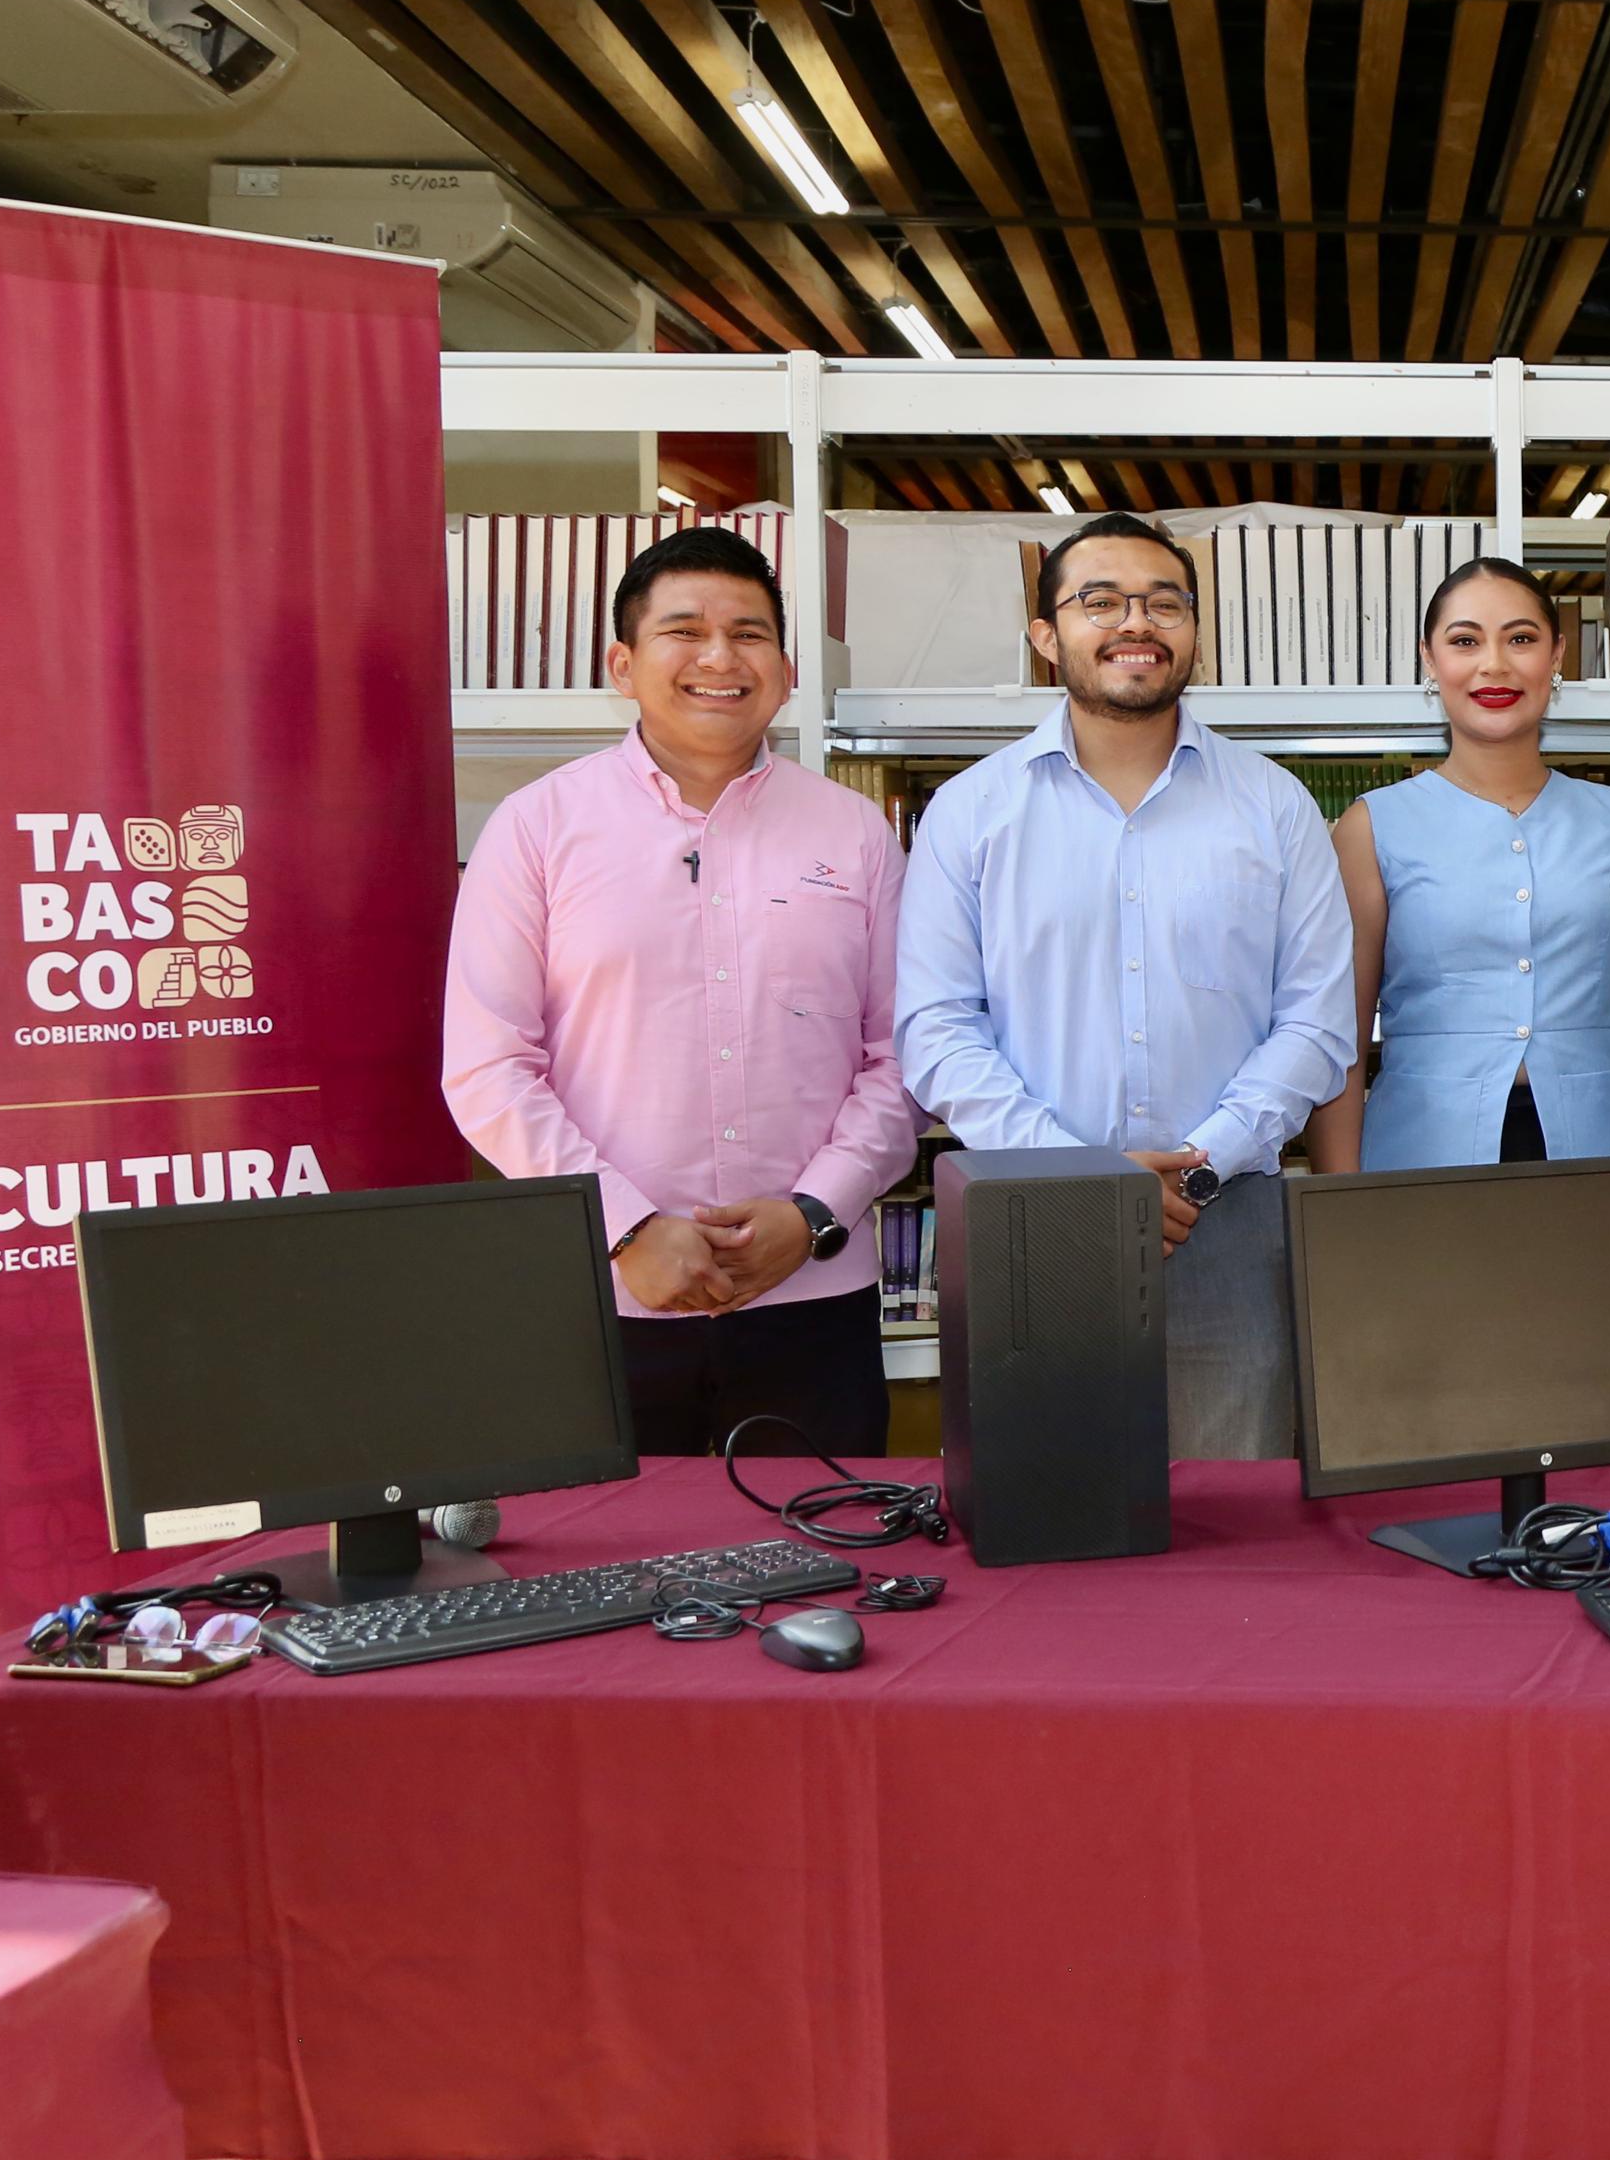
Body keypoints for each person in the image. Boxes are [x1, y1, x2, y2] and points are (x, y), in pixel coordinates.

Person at [444, 526, 915, 1459]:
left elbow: (902, 1059)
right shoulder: (536, 829)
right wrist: (627, 1229)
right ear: (622, 663)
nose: (718, 657)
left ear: (784, 669)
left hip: (812, 1305)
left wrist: (813, 1214)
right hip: (599, 1301)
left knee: (825, 1559)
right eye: (683, 630)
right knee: (601, 1579)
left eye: (748, 633)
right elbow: (489, 1068)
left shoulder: (857, 834)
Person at [897, 511, 1357, 1458]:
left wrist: (1198, 1164)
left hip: (1228, 1218)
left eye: (1164, 602)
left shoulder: (1276, 805)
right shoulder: (970, 811)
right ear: (1045, 637)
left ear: (1195, 632)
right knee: (1047, 1513)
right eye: (1098, 601)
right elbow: (937, 1029)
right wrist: (1086, 1175)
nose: (1134, 623)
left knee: (1236, 1514)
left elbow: (1317, 1022)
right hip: (1032, 1216)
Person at [1307, 558, 1610, 1173]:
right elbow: (1339, 1039)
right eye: (1465, 640)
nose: (1494, 664)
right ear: (1430, 660)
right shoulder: (1372, 827)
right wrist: (1337, 1198)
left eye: (1521, 639)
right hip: (1422, 1153)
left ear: (1557, 656)